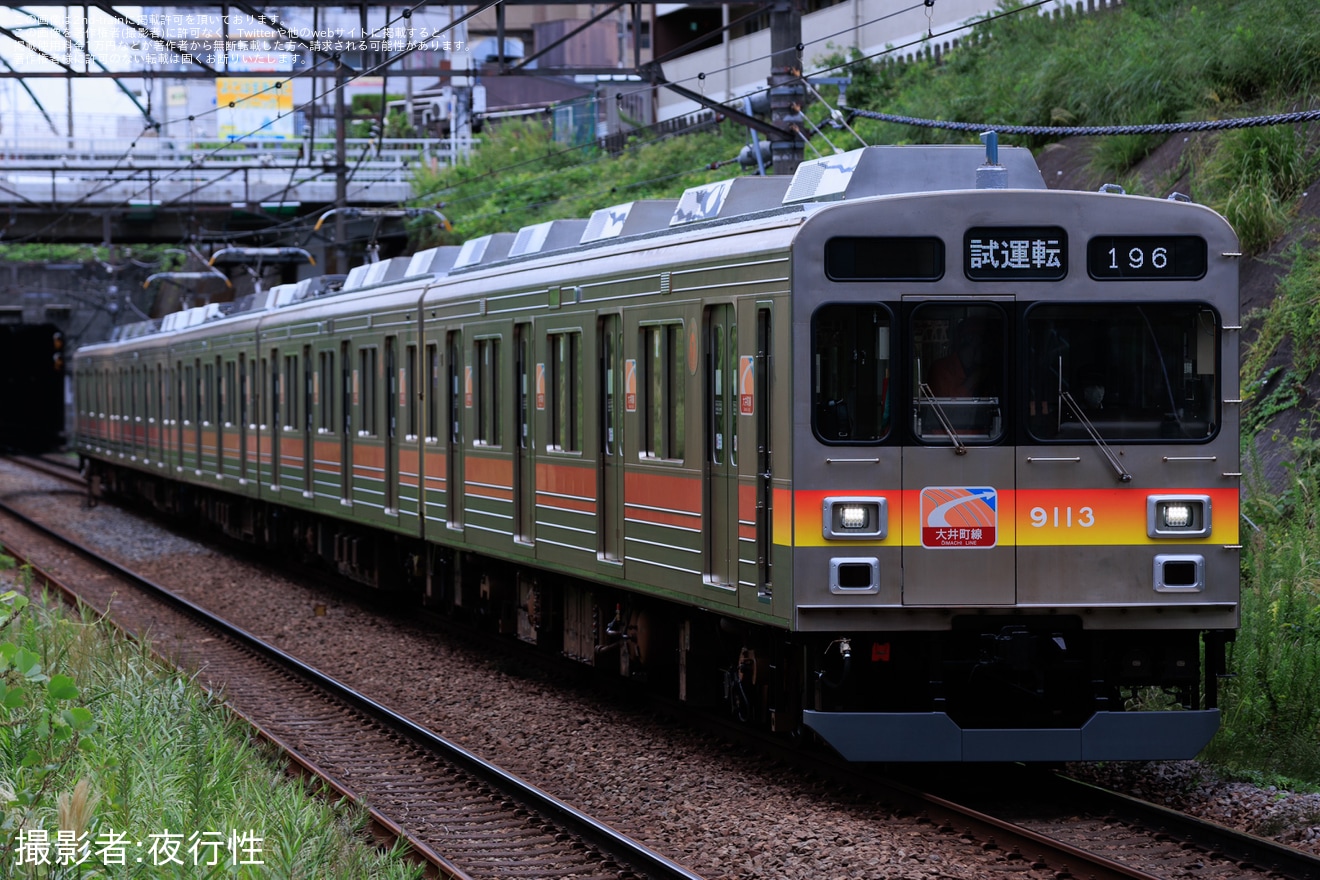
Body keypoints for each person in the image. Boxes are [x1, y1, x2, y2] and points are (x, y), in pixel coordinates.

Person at [929, 318, 992, 397]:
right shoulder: (941, 369)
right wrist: (972, 380)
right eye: (983, 343)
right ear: (972, 341)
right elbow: (946, 406)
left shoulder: (983, 371)